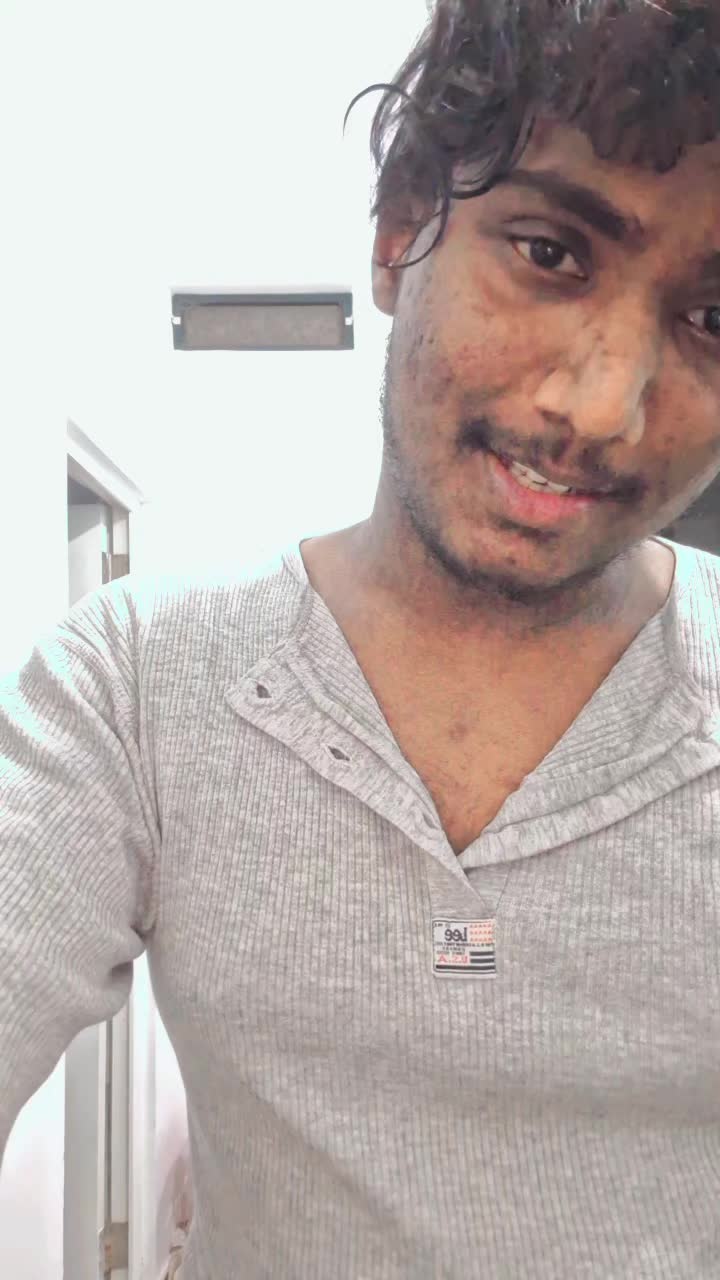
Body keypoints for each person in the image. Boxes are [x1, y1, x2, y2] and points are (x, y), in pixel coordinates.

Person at [3, 1, 720, 1275]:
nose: (603, 406)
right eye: (550, 251)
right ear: (402, 229)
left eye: (715, 320)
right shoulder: (136, 685)